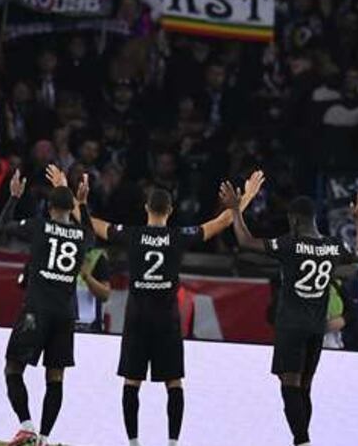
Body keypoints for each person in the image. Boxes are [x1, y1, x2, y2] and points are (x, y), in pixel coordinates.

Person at [91, 173, 262, 446]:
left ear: (146, 208)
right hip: (166, 319)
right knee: (173, 383)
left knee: (132, 382)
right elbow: (222, 221)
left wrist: (73, 200)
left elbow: (95, 225)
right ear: (170, 211)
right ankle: (172, 443)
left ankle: (133, 443)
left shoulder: (132, 235)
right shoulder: (178, 236)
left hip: (137, 318)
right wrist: (247, 196)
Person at [233, 189, 358, 446]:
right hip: (316, 328)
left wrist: (235, 210)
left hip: (291, 325)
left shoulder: (290, 244)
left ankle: (302, 441)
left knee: (289, 385)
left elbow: (245, 241)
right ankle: (303, 440)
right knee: (304, 387)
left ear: (295, 220)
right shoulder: (332, 246)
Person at [0, 165, 91, 446]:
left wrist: (14, 197)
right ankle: (45, 438)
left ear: (49, 207)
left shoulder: (39, 226)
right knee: (56, 377)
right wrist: (82, 203)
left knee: (13, 368)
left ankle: (27, 426)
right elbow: (90, 233)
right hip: (64, 314)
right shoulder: (83, 236)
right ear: (71, 208)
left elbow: (4, 225)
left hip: (36, 311)